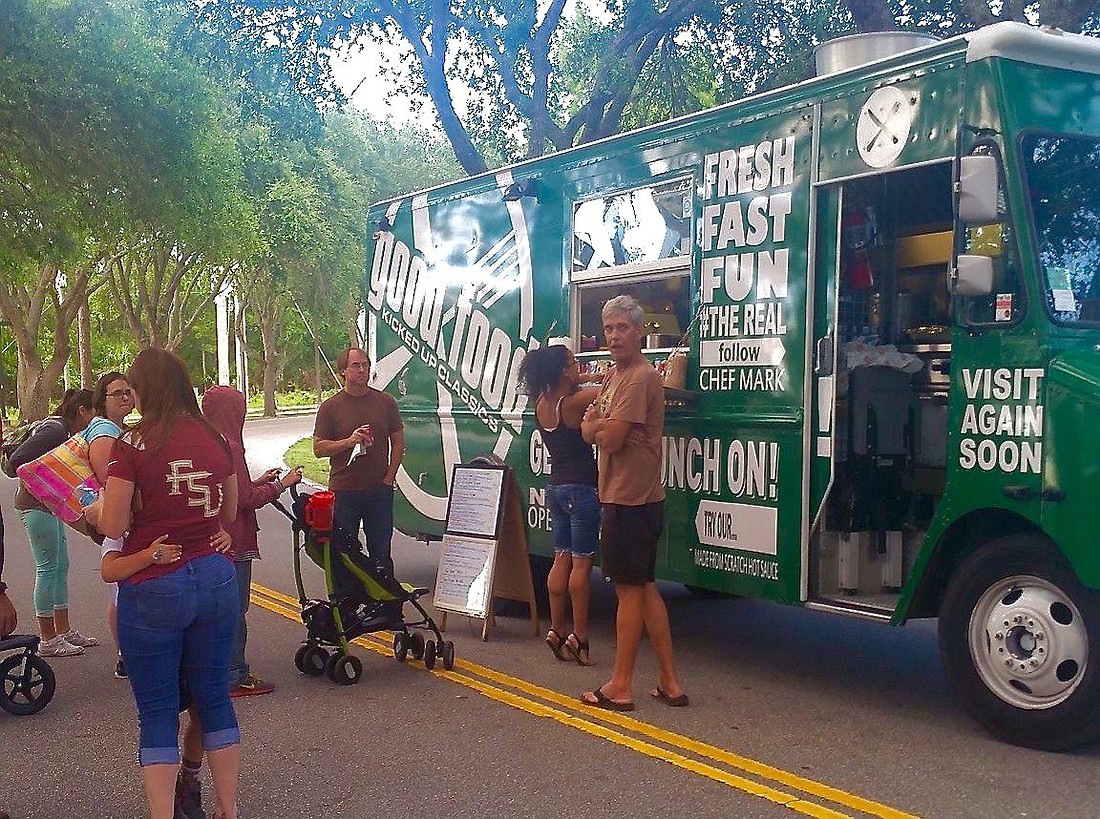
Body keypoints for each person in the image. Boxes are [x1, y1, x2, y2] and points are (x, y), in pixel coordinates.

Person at [94, 347, 241, 819]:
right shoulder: (215, 437)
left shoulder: (133, 443)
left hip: (157, 582)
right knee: (215, 699)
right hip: (216, 576)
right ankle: (228, 809)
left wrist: (95, 507)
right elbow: (231, 511)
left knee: (157, 711)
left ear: (147, 389)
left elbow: (114, 524)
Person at [580, 295, 688, 711]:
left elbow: (607, 436)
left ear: (639, 331)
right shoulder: (612, 377)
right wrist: (598, 427)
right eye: (608, 328)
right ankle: (670, 682)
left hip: (630, 498)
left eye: (622, 327)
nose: (613, 336)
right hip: (629, 496)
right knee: (644, 588)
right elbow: (587, 421)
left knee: (628, 591)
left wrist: (599, 429)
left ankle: (621, 685)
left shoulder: (640, 377)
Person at [202, 385, 302, 697]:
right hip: (235, 535)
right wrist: (282, 485)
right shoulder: (231, 445)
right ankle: (234, 673)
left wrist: (257, 480)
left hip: (212, 534)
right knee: (234, 609)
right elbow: (244, 498)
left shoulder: (207, 440)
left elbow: (229, 485)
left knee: (216, 608)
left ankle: (212, 667)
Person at [519, 344, 601, 666]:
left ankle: (555, 628)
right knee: (581, 565)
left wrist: (581, 375)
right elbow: (605, 388)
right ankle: (580, 637)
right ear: (562, 370)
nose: (577, 363)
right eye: (572, 362)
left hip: (555, 487)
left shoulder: (543, 402)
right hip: (582, 487)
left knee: (560, 560)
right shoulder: (573, 402)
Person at [9, 388, 98, 657]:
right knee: (48, 569)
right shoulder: (56, 431)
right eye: (93, 411)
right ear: (82, 411)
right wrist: (39, 486)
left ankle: (64, 630)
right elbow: (17, 460)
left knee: (61, 566)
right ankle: (48, 639)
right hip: (35, 507)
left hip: (50, 507)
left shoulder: (63, 431)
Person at [312, 347, 404, 577]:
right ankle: (347, 607)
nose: (362, 370)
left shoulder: (386, 402)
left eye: (365, 364)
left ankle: (386, 606)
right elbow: (318, 449)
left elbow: (399, 442)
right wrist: (350, 441)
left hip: (378, 490)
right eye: (355, 365)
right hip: (344, 491)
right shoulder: (330, 407)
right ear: (343, 371)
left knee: (381, 553)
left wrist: (389, 478)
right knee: (345, 553)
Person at [84, 370, 136, 678]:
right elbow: (109, 478)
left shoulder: (120, 429)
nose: (126, 397)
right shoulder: (104, 431)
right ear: (102, 400)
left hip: (125, 515)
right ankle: (125, 655)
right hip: (118, 517)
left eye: (129, 391)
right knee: (120, 589)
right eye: (118, 393)